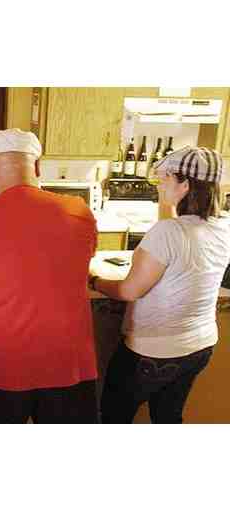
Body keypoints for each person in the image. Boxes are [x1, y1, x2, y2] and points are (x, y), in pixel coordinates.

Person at [0, 129, 99, 424]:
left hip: (5, 368)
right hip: (68, 367)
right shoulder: (80, 212)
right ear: (38, 166)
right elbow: (83, 264)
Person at [92, 147, 230, 424]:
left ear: (185, 185)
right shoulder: (224, 226)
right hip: (200, 346)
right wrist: (167, 200)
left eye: (164, 178)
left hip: (153, 351)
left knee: (114, 417)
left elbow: (130, 290)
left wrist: (95, 280)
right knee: (168, 417)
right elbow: (177, 234)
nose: (159, 185)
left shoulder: (168, 233)